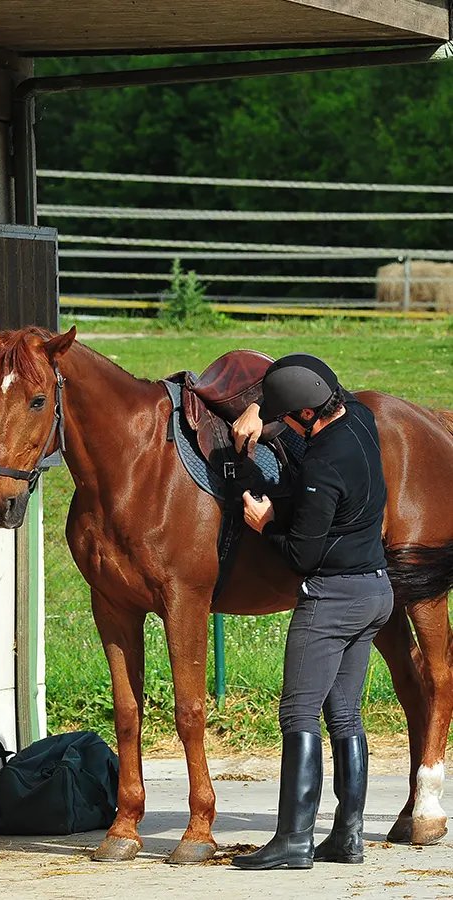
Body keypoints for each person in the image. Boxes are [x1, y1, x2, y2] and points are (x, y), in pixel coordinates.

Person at [230, 353, 394, 871]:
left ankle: (293, 841)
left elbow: (302, 554)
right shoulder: (362, 420)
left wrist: (264, 524)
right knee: (345, 713)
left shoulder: (323, 463)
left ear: (304, 416)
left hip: (333, 600)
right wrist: (259, 404)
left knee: (299, 713)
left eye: (286, 416)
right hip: (375, 591)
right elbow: (304, 369)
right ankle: (348, 837)